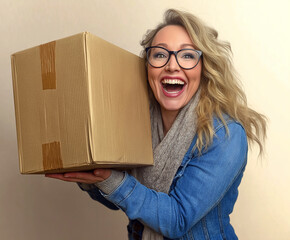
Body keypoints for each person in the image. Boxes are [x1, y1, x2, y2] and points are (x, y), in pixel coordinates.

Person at [45, 9, 267, 240]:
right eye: (160, 55)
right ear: (148, 66)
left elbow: (177, 220)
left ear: (204, 68)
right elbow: (122, 200)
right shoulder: (136, 124)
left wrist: (111, 179)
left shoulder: (225, 134)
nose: (172, 65)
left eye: (187, 55)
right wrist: (89, 177)